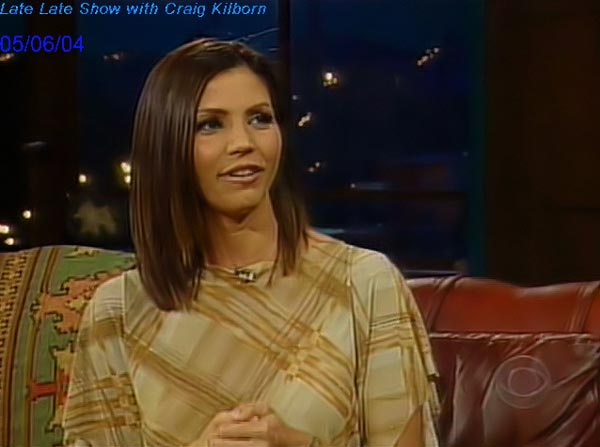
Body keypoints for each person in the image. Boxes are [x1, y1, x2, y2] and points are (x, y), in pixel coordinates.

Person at [61, 38, 441, 447]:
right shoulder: (119, 311)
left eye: (260, 118)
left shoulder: (364, 284)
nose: (244, 142)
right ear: (167, 146)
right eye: (211, 124)